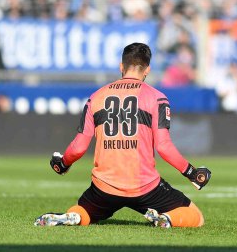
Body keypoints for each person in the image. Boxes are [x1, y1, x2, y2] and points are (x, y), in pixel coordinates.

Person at [34, 43, 211, 228]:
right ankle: (166, 219)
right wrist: (192, 173)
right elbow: (163, 147)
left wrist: (62, 164)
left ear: (121, 67)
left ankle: (72, 217)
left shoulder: (96, 97)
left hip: (104, 188)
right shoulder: (157, 98)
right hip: (144, 186)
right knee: (196, 216)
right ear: (147, 70)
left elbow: (78, 147)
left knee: (84, 210)